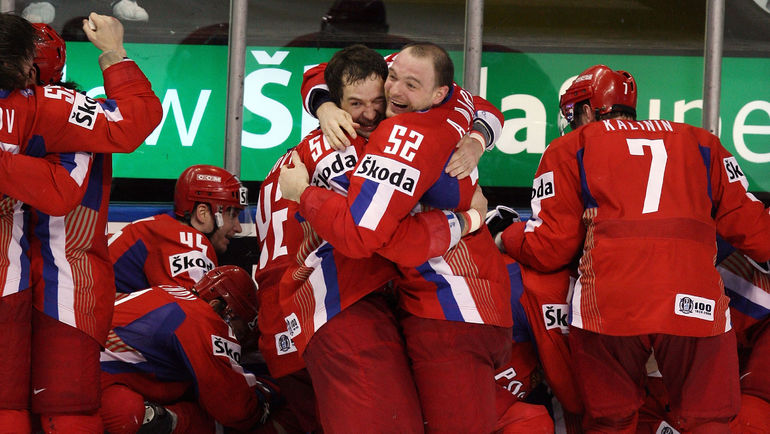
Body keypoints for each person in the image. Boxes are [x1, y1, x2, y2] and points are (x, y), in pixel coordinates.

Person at [497, 64, 770, 432]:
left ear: (588, 111)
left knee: (612, 422)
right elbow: (755, 231)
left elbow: (549, 249)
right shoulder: (703, 142)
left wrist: (506, 235)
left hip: (611, 306)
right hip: (695, 302)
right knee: (710, 421)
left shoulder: (570, 147)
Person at [257, 44, 492, 432]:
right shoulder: (353, 146)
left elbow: (470, 103)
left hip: (294, 316)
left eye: (377, 102)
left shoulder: (307, 145)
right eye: (355, 104)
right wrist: (470, 214)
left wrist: (477, 138)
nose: (369, 114)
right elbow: (368, 234)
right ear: (338, 101)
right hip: (334, 307)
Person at [0, 12, 162, 432]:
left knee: (7, 407)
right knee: (68, 409)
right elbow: (137, 118)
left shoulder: (35, 106)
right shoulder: (60, 106)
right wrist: (113, 51)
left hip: (20, 279)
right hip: (69, 283)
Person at [98, 265, 276, 433]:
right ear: (219, 306)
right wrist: (266, 393)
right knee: (139, 417)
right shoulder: (205, 319)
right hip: (97, 381)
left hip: (90, 374)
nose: (239, 340)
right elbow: (235, 410)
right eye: (242, 329)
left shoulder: (166, 292)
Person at [109, 164, 247, 293]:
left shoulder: (162, 228)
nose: (238, 228)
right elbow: (192, 307)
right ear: (203, 213)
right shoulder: (183, 240)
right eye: (232, 215)